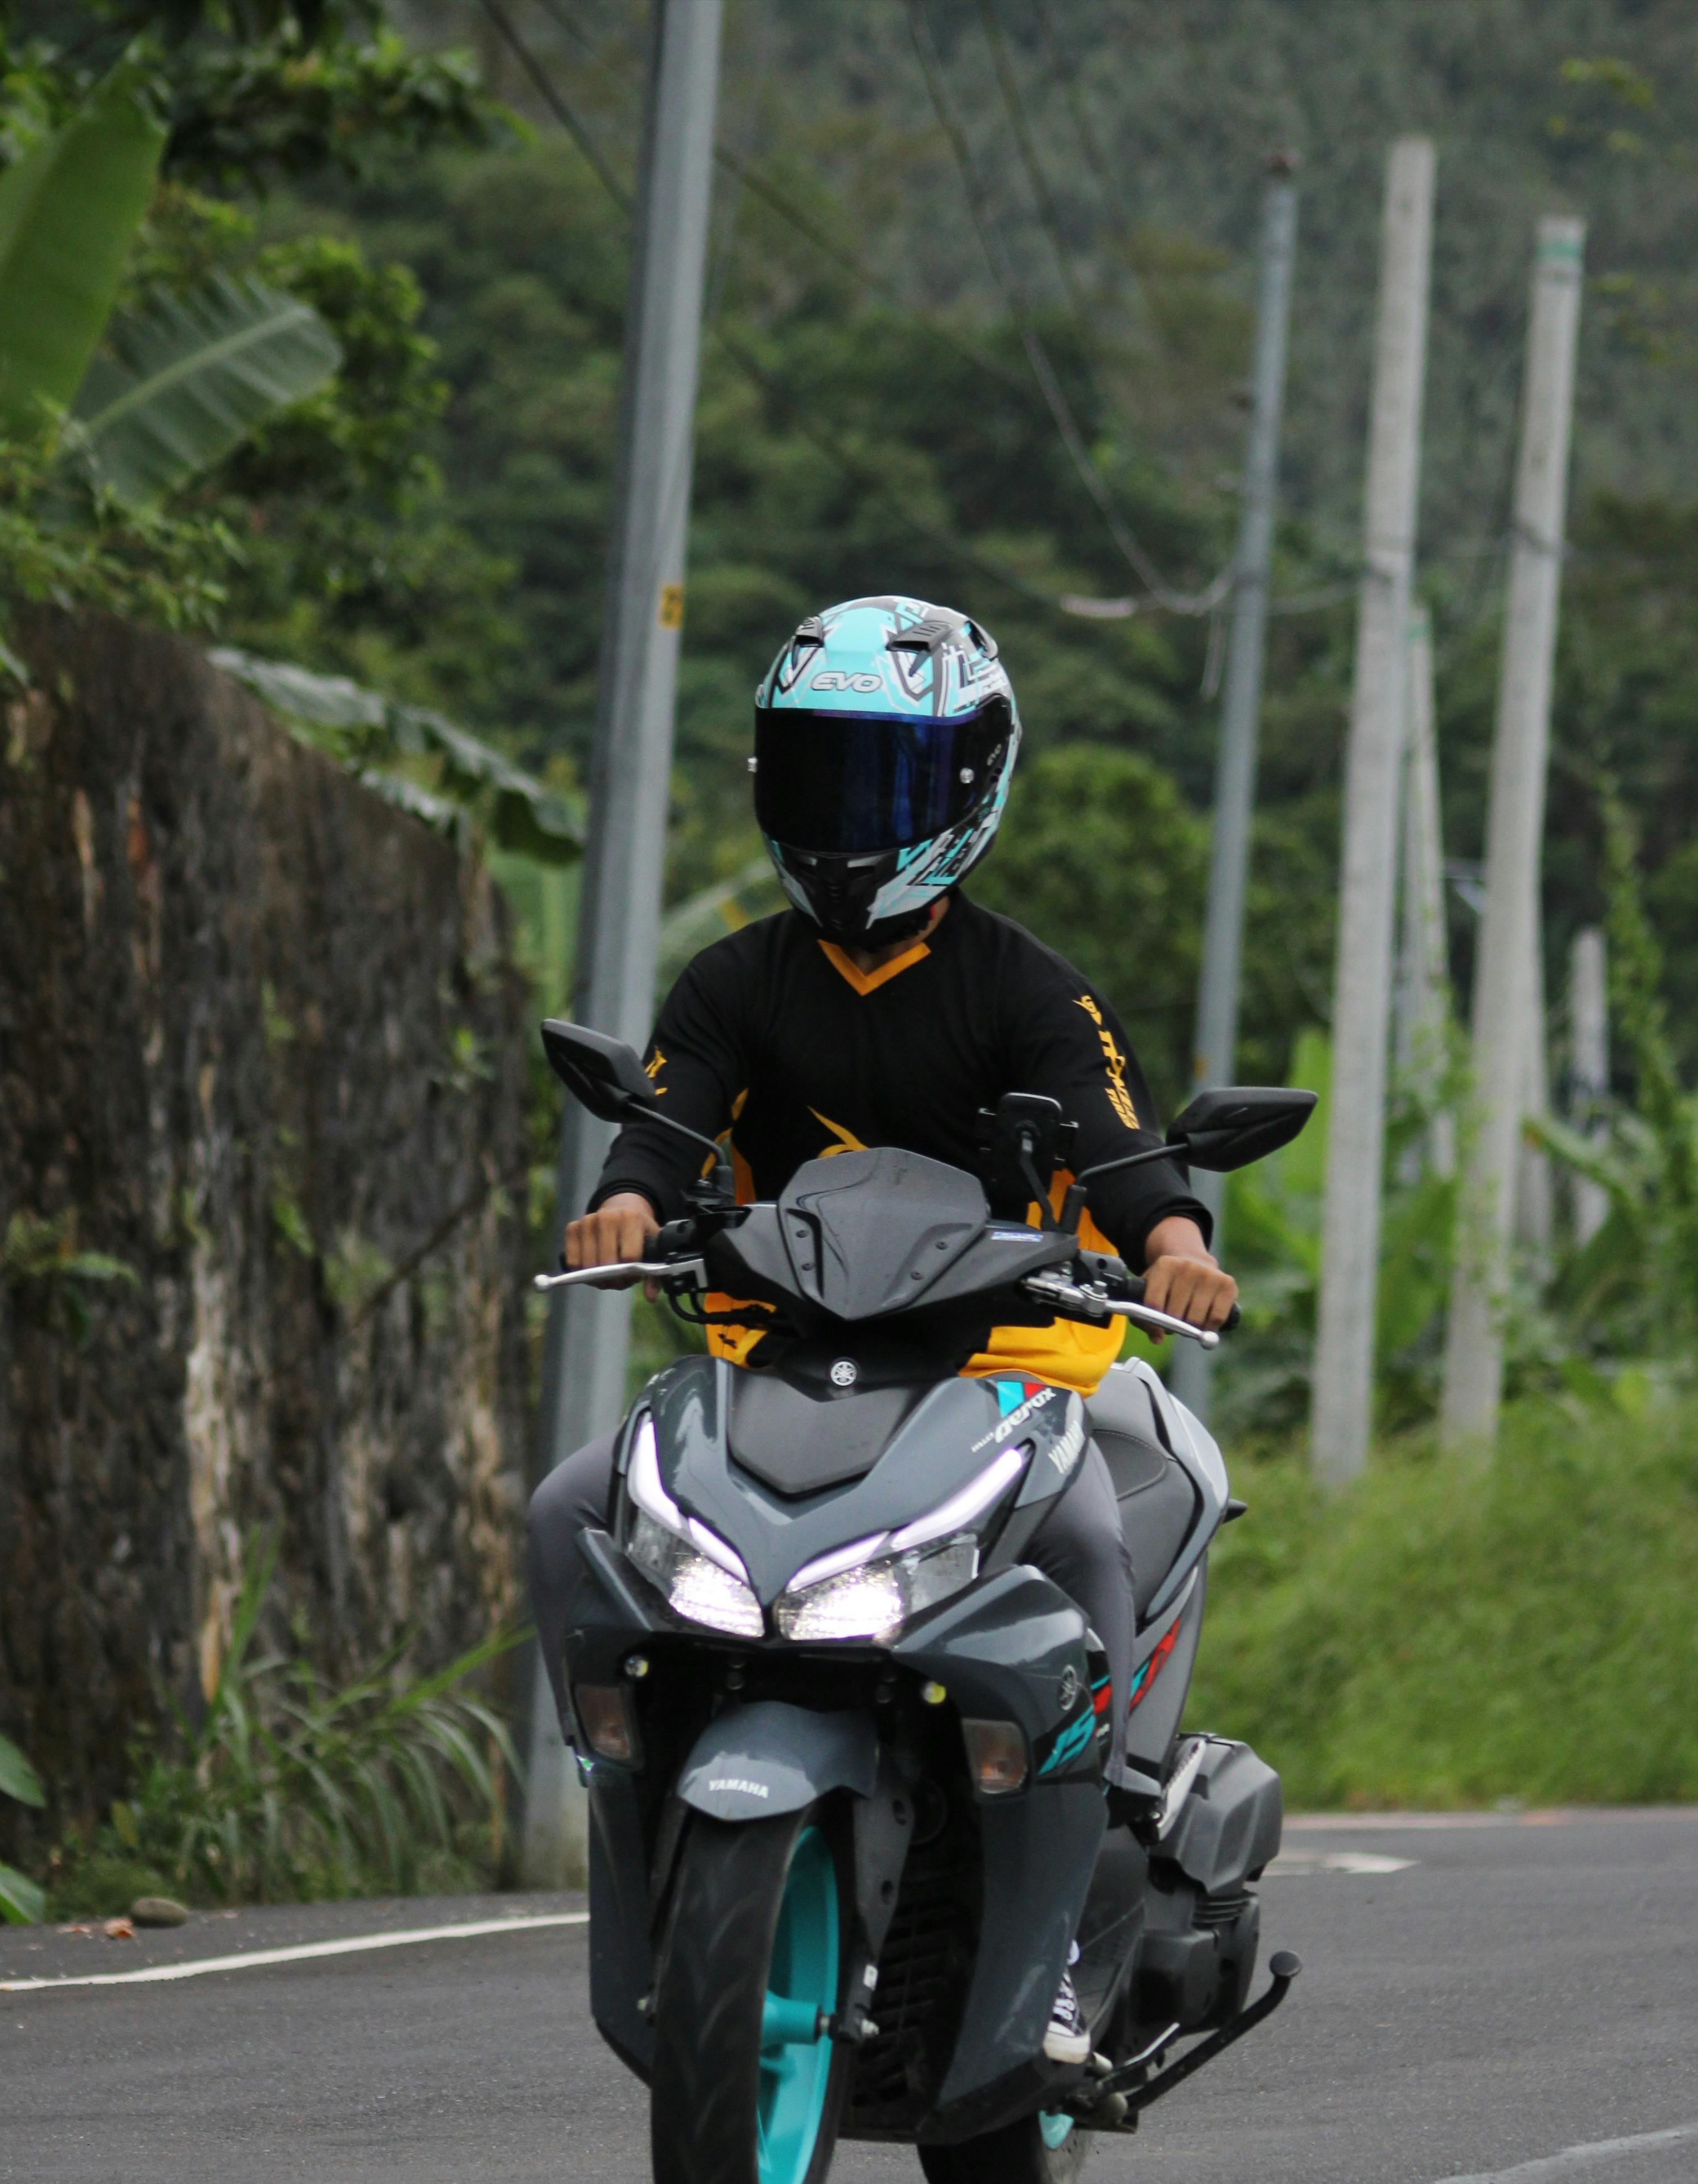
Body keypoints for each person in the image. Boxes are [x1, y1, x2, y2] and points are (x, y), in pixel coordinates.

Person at [529, 595, 1236, 2049]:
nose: (848, 819)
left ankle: (1068, 1902)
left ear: (971, 787)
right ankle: (630, 1791)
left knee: (1093, 1539)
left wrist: (1172, 1244)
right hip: (775, 1367)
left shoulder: (1031, 990)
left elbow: (1122, 1153)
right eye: (818, 775)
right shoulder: (734, 980)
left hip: (1010, 1375)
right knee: (561, 1511)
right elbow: (661, 1130)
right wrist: (618, 1206)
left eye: (888, 784)